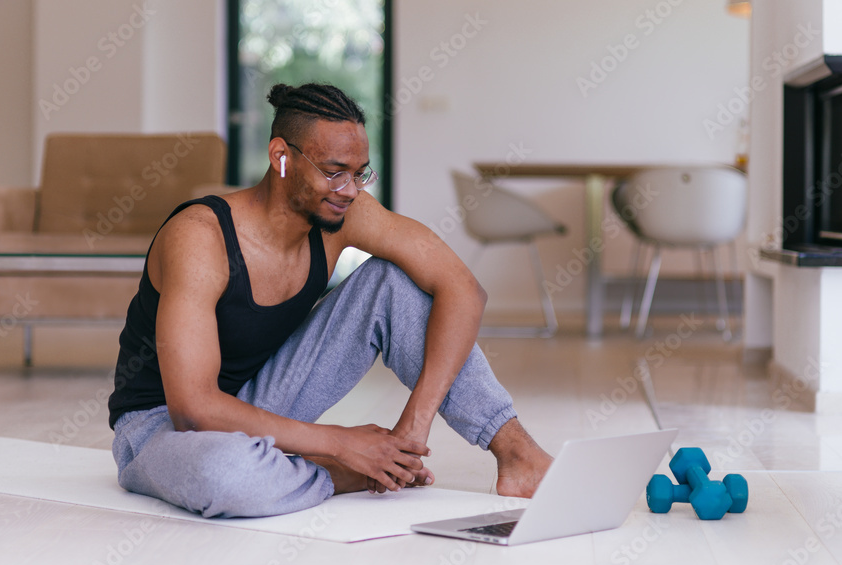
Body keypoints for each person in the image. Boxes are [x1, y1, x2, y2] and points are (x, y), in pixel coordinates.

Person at [107, 82, 552, 518]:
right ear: (280, 156)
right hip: (163, 426)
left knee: (393, 284)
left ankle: (519, 456)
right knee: (227, 473)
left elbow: (463, 288)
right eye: (333, 171)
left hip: (262, 399)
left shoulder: (343, 211)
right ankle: (338, 475)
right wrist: (342, 446)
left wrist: (413, 425)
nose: (350, 190)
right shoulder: (200, 237)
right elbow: (193, 409)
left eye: (360, 173)